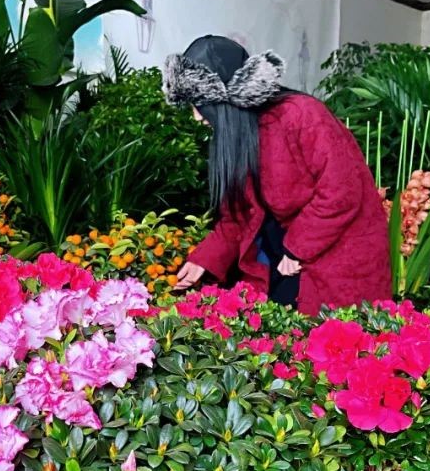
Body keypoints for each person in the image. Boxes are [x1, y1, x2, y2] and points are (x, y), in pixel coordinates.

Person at [163, 35, 391, 315]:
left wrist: (297, 248)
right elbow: (239, 216)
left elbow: (341, 192)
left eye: (199, 104)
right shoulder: (237, 134)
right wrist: (203, 261)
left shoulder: (301, 114)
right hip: (281, 258)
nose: (197, 117)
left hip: (335, 258)